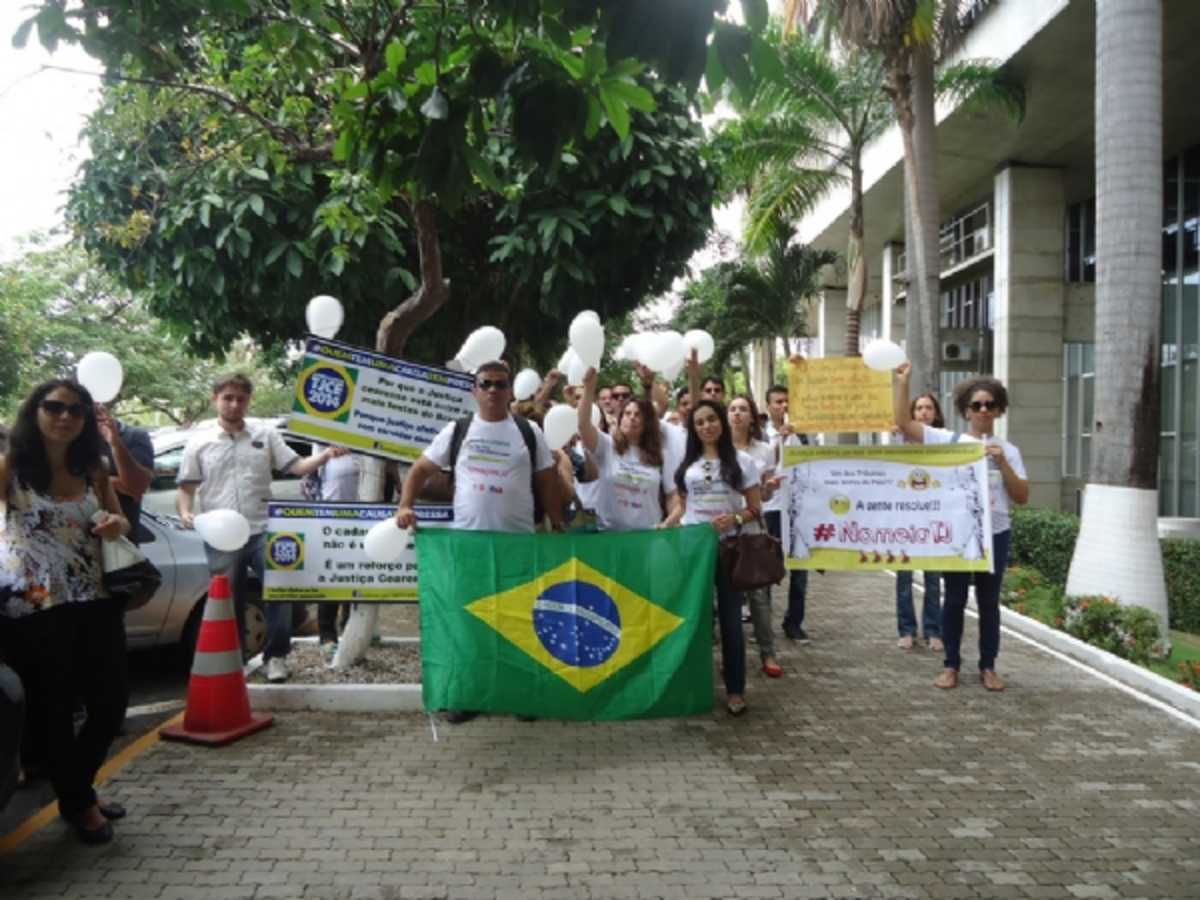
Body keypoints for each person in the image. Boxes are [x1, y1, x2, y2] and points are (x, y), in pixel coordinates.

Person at [395, 360, 563, 723]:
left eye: (500, 384)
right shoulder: (457, 430)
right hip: (467, 547)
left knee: (520, 620)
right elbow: (420, 469)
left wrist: (558, 521)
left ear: (509, 390)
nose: (492, 390)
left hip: (519, 544)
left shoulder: (528, 431)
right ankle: (468, 696)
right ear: (474, 390)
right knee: (468, 623)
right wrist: (405, 504)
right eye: (485, 384)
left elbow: (547, 479)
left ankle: (523, 696)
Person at [0, 380, 131, 844]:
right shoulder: (11, 468)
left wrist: (116, 524)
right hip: (35, 609)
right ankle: (80, 804)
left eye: (75, 410)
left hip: (94, 599)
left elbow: (120, 519)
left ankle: (78, 793)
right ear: (34, 412)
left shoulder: (93, 468)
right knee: (54, 712)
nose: (64, 416)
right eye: (53, 406)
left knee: (110, 703)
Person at [176, 373, 345, 683]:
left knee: (280, 590)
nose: (234, 404)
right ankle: (234, 659)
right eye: (227, 397)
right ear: (216, 399)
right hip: (221, 534)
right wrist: (186, 512)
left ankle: (276, 657)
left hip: (264, 527)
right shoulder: (199, 441)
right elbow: (187, 486)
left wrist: (324, 455)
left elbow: (296, 466)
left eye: (240, 398)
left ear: (248, 401)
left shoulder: (264, 435)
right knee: (229, 599)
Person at [893, 363, 1029, 691]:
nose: (983, 410)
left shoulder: (1008, 449)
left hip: (994, 532)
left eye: (990, 405)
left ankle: (988, 666)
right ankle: (951, 664)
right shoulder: (948, 440)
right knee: (953, 599)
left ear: (998, 410)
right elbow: (904, 424)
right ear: (966, 410)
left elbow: (1022, 496)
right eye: (976, 405)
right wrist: (903, 383)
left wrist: (1002, 462)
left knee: (988, 602)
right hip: (957, 533)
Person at [662, 399, 762, 717]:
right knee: (693, 620)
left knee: (732, 623)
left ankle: (735, 690)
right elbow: (682, 507)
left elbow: (754, 508)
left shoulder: (743, 462)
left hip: (729, 549)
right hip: (692, 550)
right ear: (694, 429)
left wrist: (734, 519)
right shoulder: (686, 465)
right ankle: (692, 685)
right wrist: (664, 527)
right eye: (700, 422)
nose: (707, 426)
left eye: (712, 419)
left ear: (722, 421)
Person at [727, 394, 784, 678]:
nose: (737, 414)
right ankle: (727, 656)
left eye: (743, 409)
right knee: (724, 598)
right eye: (733, 409)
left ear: (752, 417)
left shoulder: (765, 450)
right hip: (722, 531)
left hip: (751, 529)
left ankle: (768, 652)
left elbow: (763, 494)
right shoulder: (716, 451)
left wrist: (769, 488)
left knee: (759, 596)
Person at [577, 367, 669, 531]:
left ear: (647, 422)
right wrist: (588, 389)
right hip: (611, 537)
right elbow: (583, 425)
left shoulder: (658, 453)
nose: (632, 417)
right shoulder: (607, 445)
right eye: (627, 413)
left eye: (638, 414)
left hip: (648, 536)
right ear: (620, 419)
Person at [894, 393, 946, 652]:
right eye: (919, 408)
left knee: (933, 576)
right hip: (905, 517)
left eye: (929, 408)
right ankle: (906, 630)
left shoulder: (945, 442)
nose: (924, 412)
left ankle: (933, 630)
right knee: (903, 575)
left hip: (933, 517)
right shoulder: (900, 442)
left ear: (936, 413)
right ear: (912, 413)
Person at [763, 384, 812, 644]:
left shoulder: (802, 434)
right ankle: (764, 625)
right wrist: (779, 441)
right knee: (768, 568)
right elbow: (762, 466)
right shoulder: (760, 434)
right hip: (770, 508)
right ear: (768, 405)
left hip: (797, 508)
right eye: (778, 402)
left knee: (800, 568)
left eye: (786, 402)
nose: (783, 406)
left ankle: (794, 622)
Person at [303, 445, 360, 664]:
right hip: (331, 521)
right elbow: (309, 480)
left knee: (359, 576)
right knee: (332, 578)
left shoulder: (371, 447)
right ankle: (327, 636)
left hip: (365, 521)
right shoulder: (324, 442)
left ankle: (354, 628)